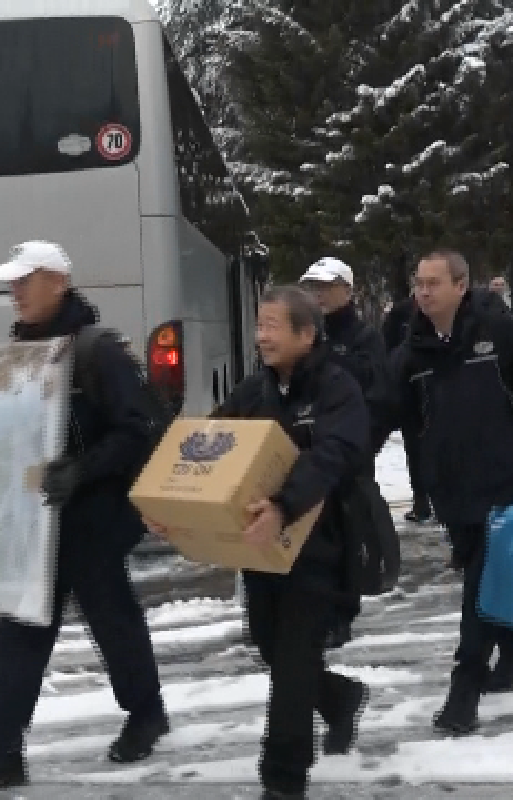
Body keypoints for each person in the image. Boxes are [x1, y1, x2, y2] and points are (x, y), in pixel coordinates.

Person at [0, 241, 169, 788]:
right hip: (35, 520)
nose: (15, 291)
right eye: (13, 282)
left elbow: (139, 431)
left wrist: (83, 470)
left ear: (59, 282)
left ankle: (146, 714)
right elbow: (3, 439)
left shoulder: (99, 352)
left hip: (93, 518)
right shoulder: (17, 355)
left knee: (112, 621)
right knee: (21, 628)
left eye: (26, 280)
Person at [385, 250, 513, 735]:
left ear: (461, 285)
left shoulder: (501, 334)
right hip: (450, 489)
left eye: (433, 283)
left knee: (481, 588)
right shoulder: (413, 351)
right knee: (482, 571)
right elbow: (380, 409)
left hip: (507, 482)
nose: (423, 292)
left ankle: (462, 693)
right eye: (418, 284)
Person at [211, 285, 371, 799]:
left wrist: (283, 504)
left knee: (294, 663)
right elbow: (212, 441)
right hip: (262, 548)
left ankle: (283, 778)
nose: (261, 336)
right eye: (258, 326)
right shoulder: (254, 392)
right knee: (271, 646)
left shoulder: (336, 389)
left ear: (307, 333)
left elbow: (331, 457)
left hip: (320, 547)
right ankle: (340, 698)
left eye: (272, 327)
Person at [299, 257, 391, 648]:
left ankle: (343, 612)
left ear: (347, 290)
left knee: (349, 532)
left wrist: (363, 443)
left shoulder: (363, 339)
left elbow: (378, 395)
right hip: (311, 452)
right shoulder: (305, 335)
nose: (318, 294)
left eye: (326, 286)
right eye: (313, 287)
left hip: (349, 453)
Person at [381, 291, 432, 523]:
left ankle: (436, 500)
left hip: (435, 391)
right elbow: (388, 346)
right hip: (410, 394)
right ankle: (421, 502)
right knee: (416, 450)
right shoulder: (400, 313)